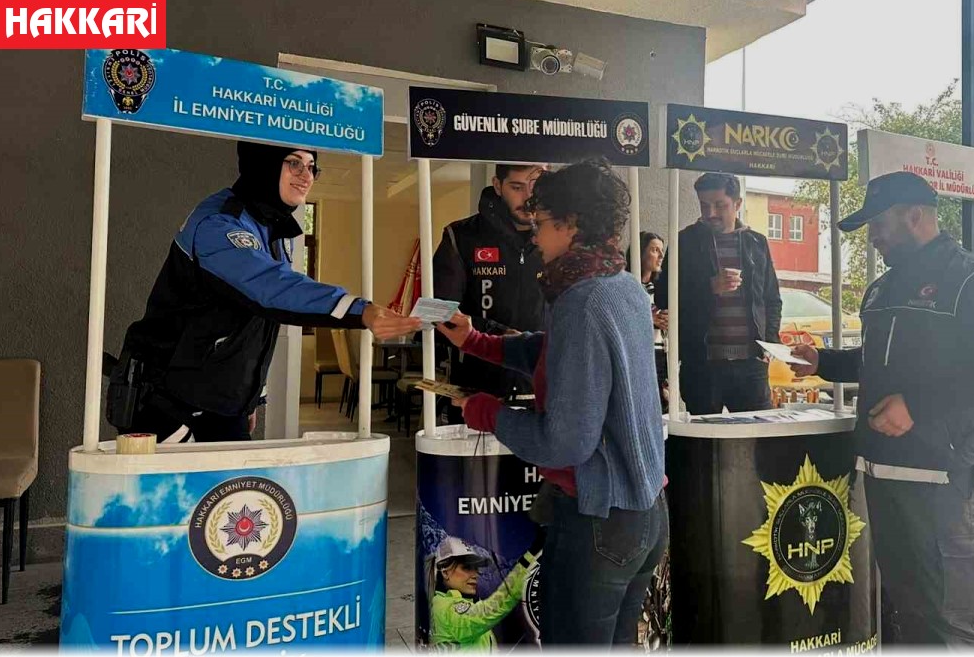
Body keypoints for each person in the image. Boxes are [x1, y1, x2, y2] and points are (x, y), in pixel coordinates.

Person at [791, 171, 974, 648]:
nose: (872, 238)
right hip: (886, 481)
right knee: (903, 619)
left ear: (915, 216)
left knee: (952, 624)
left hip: (946, 489)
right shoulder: (882, 289)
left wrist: (917, 406)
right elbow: (879, 361)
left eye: (878, 225)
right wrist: (825, 362)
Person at [436, 159, 667, 646]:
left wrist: (487, 413)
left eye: (541, 225)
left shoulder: (582, 301)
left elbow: (564, 442)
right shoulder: (621, 286)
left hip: (598, 521)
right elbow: (554, 352)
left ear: (572, 225)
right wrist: (478, 341)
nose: (535, 237)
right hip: (644, 514)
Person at [108, 141, 422, 443]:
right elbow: (271, 289)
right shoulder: (220, 224)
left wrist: (252, 397)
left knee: (234, 494)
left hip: (219, 404)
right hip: (169, 405)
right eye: (294, 163)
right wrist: (360, 310)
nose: (306, 176)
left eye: (312, 167)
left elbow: (254, 324)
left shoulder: (269, 225)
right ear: (264, 165)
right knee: (194, 498)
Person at [655, 172, 783, 415]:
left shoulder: (757, 242)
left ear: (738, 204)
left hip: (751, 366)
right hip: (702, 365)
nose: (710, 213)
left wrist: (770, 344)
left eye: (719, 205)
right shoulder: (685, 241)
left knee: (755, 444)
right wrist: (709, 287)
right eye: (704, 205)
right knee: (703, 448)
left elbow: (771, 299)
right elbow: (663, 297)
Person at [433, 163, 548, 423]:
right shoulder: (460, 236)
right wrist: (503, 336)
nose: (528, 198)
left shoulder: (558, 238)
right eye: (516, 188)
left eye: (535, 188)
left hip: (543, 394)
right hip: (478, 392)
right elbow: (438, 310)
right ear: (497, 185)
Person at [428, 536, 535, 651]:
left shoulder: (452, 604)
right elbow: (487, 612)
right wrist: (529, 560)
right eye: (467, 567)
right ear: (445, 572)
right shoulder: (445, 607)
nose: (475, 575)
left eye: (475, 568)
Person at [636, 232, 669, 409]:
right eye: (655, 250)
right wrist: (649, 320)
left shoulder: (661, 288)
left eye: (661, 250)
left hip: (661, 354)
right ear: (640, 252)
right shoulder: (630, 286)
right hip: (640, 355)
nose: (661, 256)